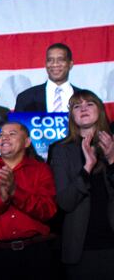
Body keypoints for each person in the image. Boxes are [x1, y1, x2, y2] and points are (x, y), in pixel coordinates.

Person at [0, 122, 57, 280]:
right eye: (1, 134)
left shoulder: (40, 169)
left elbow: (48, 211)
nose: (4, 138)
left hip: (36, 255)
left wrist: (15, 192)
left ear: (27, 142)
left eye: (12, 134)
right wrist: (1, 199)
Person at [49, 90, 114, 279]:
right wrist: (87, 167)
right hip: (82, 249)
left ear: (100, 110)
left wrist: (112, 160)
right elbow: (65, 202)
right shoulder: (61, 150)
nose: (83, 108)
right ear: (72, 116)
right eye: (77, 106)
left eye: (89, 104)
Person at [16, 43, 82, 113]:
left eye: (61, 60)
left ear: (70, 64)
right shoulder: (25, 97)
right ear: (45, 64)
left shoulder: (85, 98)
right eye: (50, 60)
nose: (55, 64)